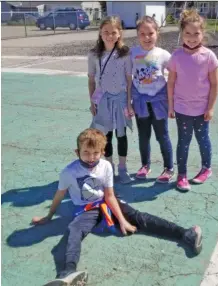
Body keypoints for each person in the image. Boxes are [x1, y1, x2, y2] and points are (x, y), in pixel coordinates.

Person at [32, 128, 203, 286]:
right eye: (86, 152)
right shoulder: (69, 172)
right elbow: (59, 195)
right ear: (77, 152)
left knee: (140, 218)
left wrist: (122, 221)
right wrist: (49, 216)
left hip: (108, 202)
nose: (91, 157)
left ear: (103, 152)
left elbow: (110, 196)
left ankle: (185, 233)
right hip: (87, 210)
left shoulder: (105, 166)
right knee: (74, 230)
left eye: (95, 153)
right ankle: (68, 272)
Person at [167, 9, 218, 191]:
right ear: (182, 33)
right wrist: (171, 106)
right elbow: (171, 83)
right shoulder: (176, 57)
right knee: (183, 141)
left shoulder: (209, 57)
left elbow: (214, 84)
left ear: (202, 34)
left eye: (196, 33)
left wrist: (210, 108)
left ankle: (206, 168)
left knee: (203, 139)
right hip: (182, 109)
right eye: (187, 33)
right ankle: (182, 175)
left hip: (202, 109)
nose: (191, 37)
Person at [88, 16, 134, 184]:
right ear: (100, 33)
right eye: (106, 32)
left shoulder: (125, 53)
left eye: (113, 32)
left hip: (121, 100)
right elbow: (91, 80)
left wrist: (129, 102)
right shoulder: (94, 54)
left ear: (119, 33)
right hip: (103, 101)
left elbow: (129, 80)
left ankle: (123, 168)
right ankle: (108, 167)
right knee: (105, 135)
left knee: (121, 134)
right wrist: (92, 102)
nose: (109, 35)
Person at [131, 16, 174, 184]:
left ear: (157, 33)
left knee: (162, 136)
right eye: (142, 34)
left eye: (151, 33)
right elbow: (127, 78)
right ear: (137, 35)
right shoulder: (132, 53)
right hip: (140, 103)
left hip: (159, 103)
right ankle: (145, 166)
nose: (147, 37)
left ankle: (169, 167)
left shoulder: (163, 55)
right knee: (143, 136)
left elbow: (176, 75)